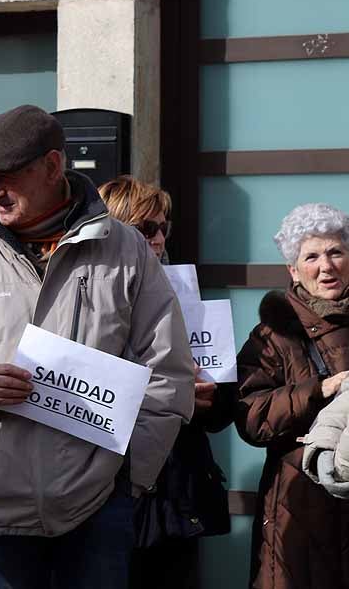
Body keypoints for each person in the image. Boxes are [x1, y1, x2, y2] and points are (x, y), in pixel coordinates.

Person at [0, 105, 195, 589]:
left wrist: (128, 478)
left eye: (8, 178)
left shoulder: (126, 251)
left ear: (54, 167)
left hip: (99, 509)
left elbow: (167, 372)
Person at [98, 176, 234, 589]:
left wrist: (210, 399)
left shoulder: (185, 295)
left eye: (163, 227)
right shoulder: (88, 297)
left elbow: (224, 403)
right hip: (113, 484)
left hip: (178, 490)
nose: (157, 238)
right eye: (145, 228)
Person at [235, 202, 349, 589]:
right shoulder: (274, 335)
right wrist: (320, 389)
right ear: (293, 269)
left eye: (336, 252)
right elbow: (250, 416)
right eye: (312, 256)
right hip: (298, 507)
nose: (326, 266)